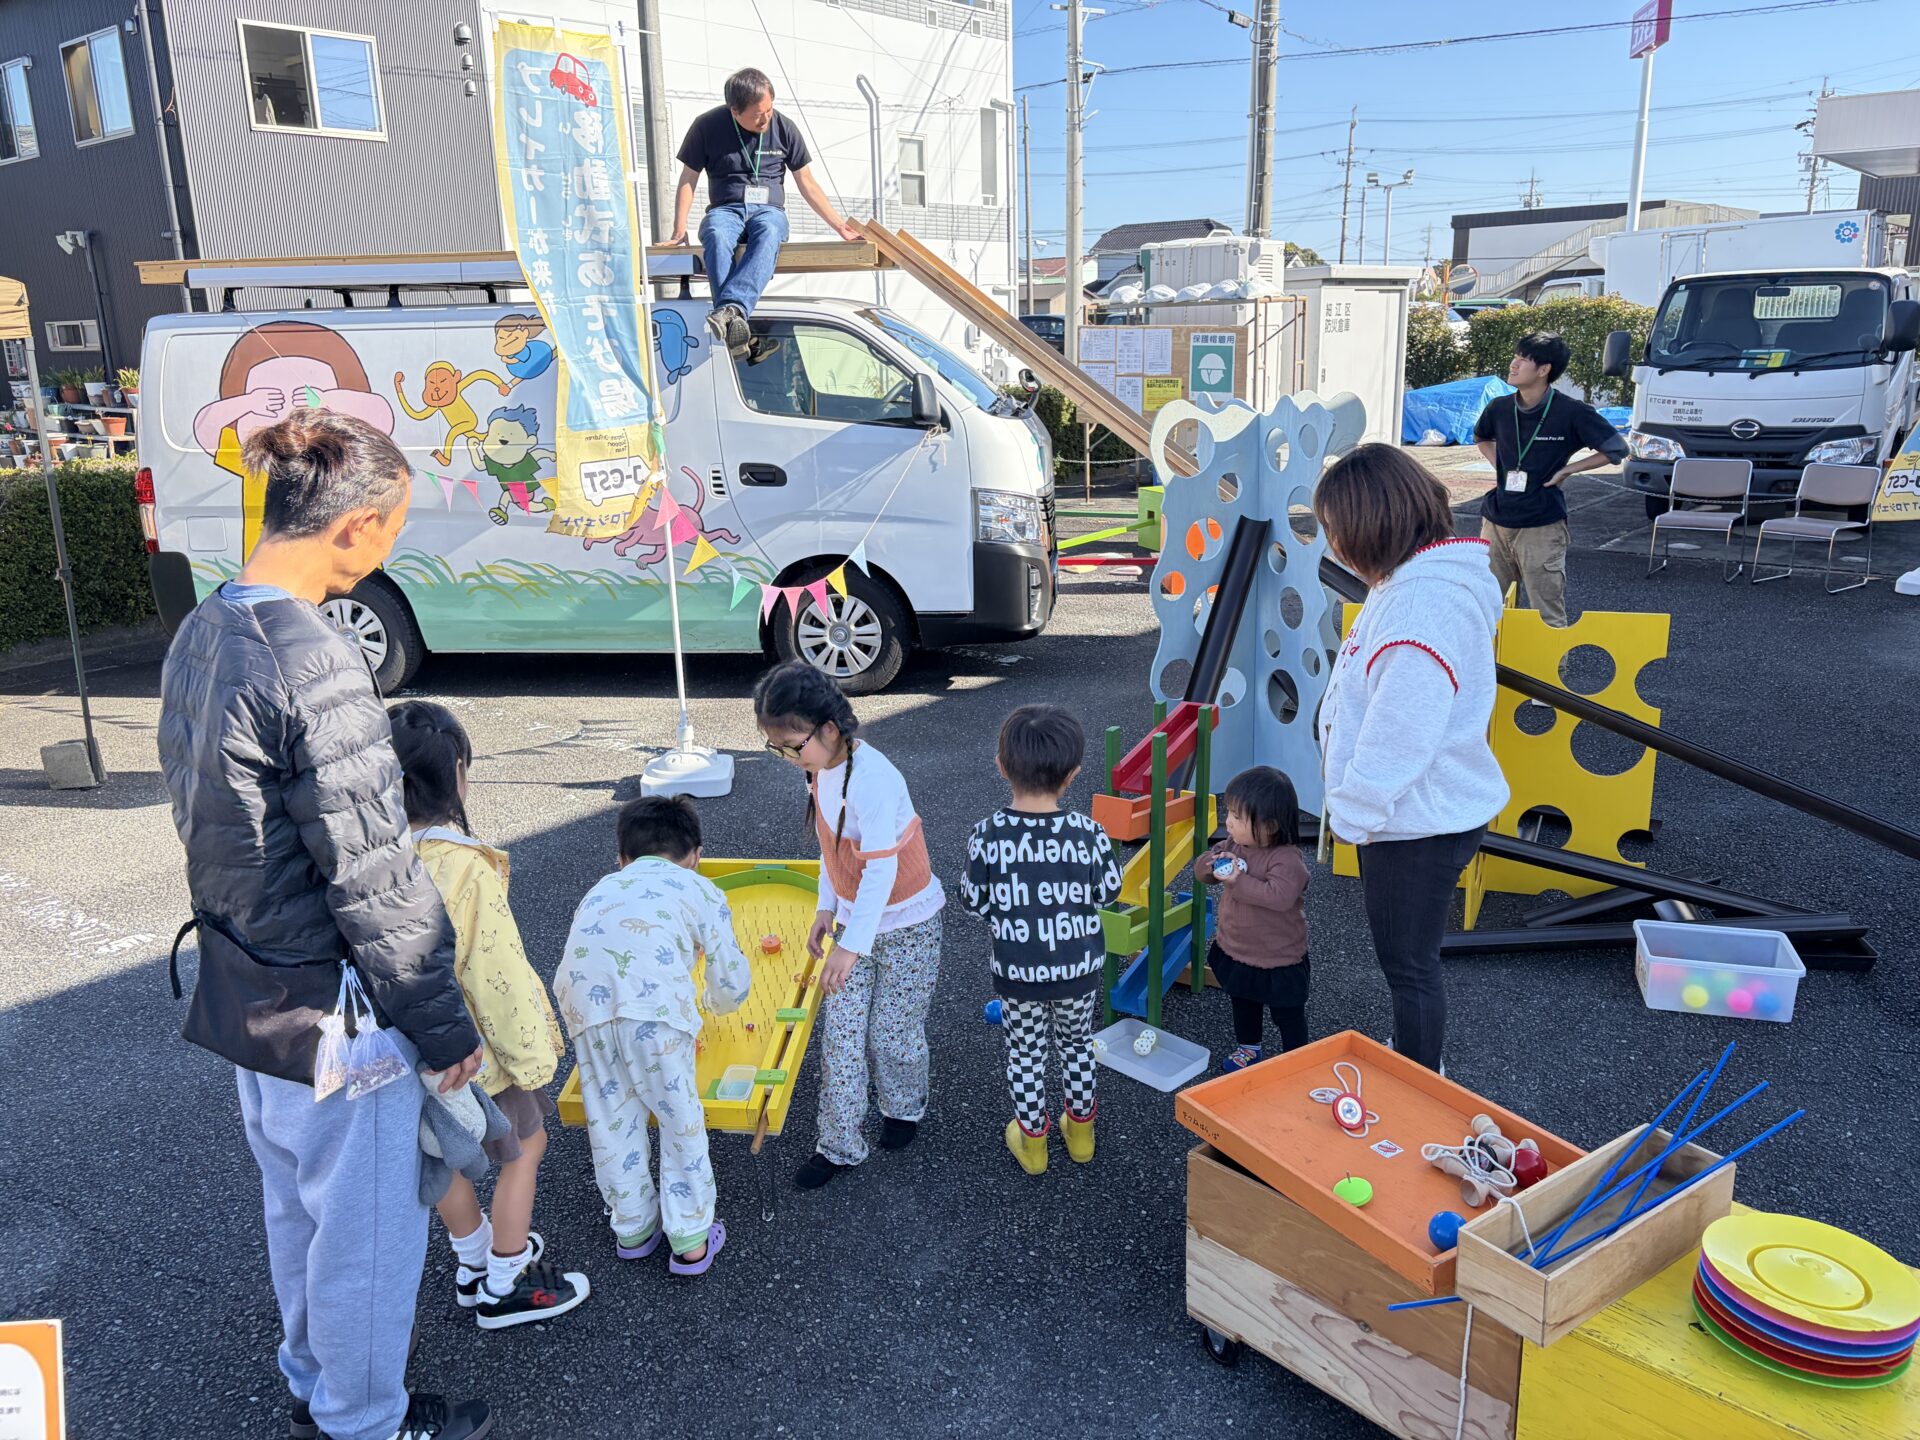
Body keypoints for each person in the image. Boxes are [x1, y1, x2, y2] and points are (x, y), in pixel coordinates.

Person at [155, 411, 493, 1440]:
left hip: (244, 986)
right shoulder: (316, 658)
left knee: (297, 1208)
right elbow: (376, 876)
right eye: (389, 530)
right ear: (352, 526)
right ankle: (361, 1419)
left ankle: (313, 1374)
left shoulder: (204, 629)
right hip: (336, 1005)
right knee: (367, 1236)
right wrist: (444, 1032)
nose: (388, 551)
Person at [387, 701, 587, 1331]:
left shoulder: (370, 857)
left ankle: (472, 1258)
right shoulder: (464, 866)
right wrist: (533, 1059)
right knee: (524, 1147)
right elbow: (494, 974)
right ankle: (506, 1278)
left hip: (404, 1048)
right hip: (476, 1050)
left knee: (440, 1154)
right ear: (459, 773)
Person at [1314, 443, 1509, 1074]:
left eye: (1337, 532)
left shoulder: (1421, 606)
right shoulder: (1422, 581)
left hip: (1413, 820)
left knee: (1408, 965)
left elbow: (1402, 732)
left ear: (1372, 526)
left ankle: (1422, 1081)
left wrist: (1353, 812)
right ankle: (1419, 1064)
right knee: (1411, 961)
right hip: (1422, 809)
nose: (1334, 546)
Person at [753, 661, 945, 1190]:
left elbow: (880, 869)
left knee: (892, 1035)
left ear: (829, 729)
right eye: (780, 748)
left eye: (793, 746)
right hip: (854, 925)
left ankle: (903, 1107)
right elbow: (832, 848)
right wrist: (825, 907)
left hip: (909, 925)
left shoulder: (875, 779)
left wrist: (849, 946)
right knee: (839, 1037)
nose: (790, 758)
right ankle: (838, 1144)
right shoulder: (820, 771)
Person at [553, 796, 752, 1276]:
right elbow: (730, 980)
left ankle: (634, 1229)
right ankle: (689, 1240)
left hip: (586, 1009)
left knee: (612, 1118)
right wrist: (710, 1006)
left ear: (621, 858)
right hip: (655, 1015)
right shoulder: (698, 888)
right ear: (697, 855)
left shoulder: (603, 887)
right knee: (679, 1118)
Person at [960, 706, 1123, 1176]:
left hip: (1018, 973)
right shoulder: (1089, 834)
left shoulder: (987, 836)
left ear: (1001, 765)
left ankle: (1033, 1144)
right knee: (1076, 1045)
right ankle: (1081, 1135)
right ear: (1073, 774)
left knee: (1026, 1054)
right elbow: (1108, 892)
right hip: (1078, 970)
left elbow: (973, 902)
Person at [667, 67, 862, 361]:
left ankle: (729, 312)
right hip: (726, 209)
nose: (766, 118)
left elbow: (807, 181)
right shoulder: (706, 127)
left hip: (769, 210)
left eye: (769, 109)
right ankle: (739, 325)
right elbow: (688, 178)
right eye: (758, 114)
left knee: (769, 232)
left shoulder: (784, 127)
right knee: (716, 234)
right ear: (735, 111)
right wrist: (679, 229)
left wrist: (839, 226)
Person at [1473, 331, 1629, 628]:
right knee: (1487, 607)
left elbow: (1617, 449)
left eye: (1523, 359)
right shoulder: (1500, 408)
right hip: (1495, 521)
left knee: (1546, 613)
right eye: (1515, 357)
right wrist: (1500, 466)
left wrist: (1567, 470)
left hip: (1542, 524)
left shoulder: (1571, 411)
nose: (1514, 364)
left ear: (1544, 370)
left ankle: (1552, 672)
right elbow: (1482, 437)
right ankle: (1489, 673)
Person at [1196, 767, 1311, 1073]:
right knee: (1243, 1002)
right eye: (1228, 812)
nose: (1228, 821)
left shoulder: (1287, 859)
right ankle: (1249, 1048)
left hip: (1279, 958)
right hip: (1237, 950)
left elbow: (1278, 897)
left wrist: (1236, 879)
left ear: (1269, 825)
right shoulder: (1233, 846)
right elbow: (1203, 870)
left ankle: (1296, 1058)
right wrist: (1210, 865)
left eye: (1237, 816)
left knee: (1287, 1012)